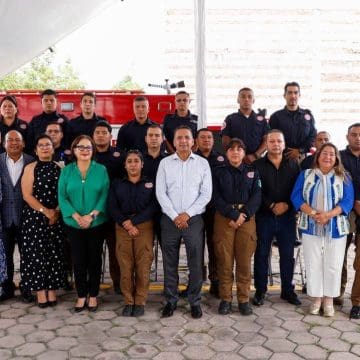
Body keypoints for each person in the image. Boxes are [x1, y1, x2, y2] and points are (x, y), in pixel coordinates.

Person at [291, 143, 354, 316]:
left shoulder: (344, 177)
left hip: (336, 228)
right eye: (324, 153)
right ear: (317, 156)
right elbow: (296, 196)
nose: (328, 157)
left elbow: (348, 201)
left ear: (336, 158)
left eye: (332, 154)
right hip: (311, 226)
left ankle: (328, 300)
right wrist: (313, 213)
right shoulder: (306, 175)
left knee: (334, 263)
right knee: (313, 262)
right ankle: (316, 298)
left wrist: (328, 215)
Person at [156, 125, 212, 319]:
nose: (183, 141)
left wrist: (187, 214)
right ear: (173, 141)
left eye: (187, 137)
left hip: (194, 219)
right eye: (179, 138)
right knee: (169, 262)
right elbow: (160, 193)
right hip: (169, 219)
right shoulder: (164, 163)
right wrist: (175, 216)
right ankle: (170, 301)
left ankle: (194, 301)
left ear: (193, 141)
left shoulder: (202, 164)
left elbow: (206, 194)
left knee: (195, 262)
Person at [58, 135, 109, 312]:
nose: (85, 150)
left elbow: (104, 194)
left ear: (93, 150)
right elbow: (62, 196)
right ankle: (81, 296)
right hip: (73, 224)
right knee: (78, 261)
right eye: (81, 147)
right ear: (74, 150)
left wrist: (91, 216)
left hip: (96, 223)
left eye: (88, 147)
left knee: (94, 260)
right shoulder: (66, 171)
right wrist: (76, 216)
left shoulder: (101, 170)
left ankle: (93, 296)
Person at [213, 138, 261, 315]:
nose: (235, 152)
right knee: (224, 260)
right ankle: (225, 298)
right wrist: (232, 214)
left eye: (239, 149)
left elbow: (257, 196)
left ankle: (243, 299)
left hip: (246, 219)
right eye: (231, 149)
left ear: (243, 152)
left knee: (244, 261)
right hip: (224, 218)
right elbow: (215, 197)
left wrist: (244, 215)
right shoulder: (218, 172)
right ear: (226, 153)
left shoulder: (252, 171)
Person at [253, 130, 301, 307]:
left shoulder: (294, 164)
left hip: (287, 217)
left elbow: (298, 188)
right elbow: (256, 191)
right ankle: (260, 291)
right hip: (264, 216)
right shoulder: (257, 165)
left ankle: (287, 290)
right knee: (262, 254)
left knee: (287, 255)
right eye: (271, 141)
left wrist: (288, 204)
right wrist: (272, 205)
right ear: (266, 144)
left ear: (284, 143)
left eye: (279, 141)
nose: (276, 144)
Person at [108, 150, 158, 317]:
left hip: (144, 226)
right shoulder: (116, 183)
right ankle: (129, 301)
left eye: (136, 161)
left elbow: (153, 206)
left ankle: (140, 300)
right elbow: (112, 206)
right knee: (125, 266)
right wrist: (126, 223)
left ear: (142, 164)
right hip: (122, 227)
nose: (133, 164)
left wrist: (134, 223)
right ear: (125, 164)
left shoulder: (150, 182)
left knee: (143, 265)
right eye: (129, 161)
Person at [20, 134, 67, 307]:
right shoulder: (30, 167)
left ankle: (52, 290)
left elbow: (64, 193)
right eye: (41, 145)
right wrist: (45, 211)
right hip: (35, 217)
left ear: (53, 149)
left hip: (56, 217)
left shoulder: (59, 167)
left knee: (54, 254)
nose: (45, 147)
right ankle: (40, 292)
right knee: (37, 255)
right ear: (36, 149)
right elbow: (26, 195)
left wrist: (56, 212)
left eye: (48, 145)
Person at [0, 130, 34, 302]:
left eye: (17, 140)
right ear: (4, 143)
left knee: (27, 254)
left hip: (26, 217)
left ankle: (26, 287)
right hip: (4, 218)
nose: (13, 143)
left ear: (23, 143)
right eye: (10, 140)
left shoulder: (31, 161)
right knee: (5, 255)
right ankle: (7, 288)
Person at [92, 121, 123, 294]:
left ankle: (118, 283)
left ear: (111, 136)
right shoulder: (88, 156)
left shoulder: (120, 155)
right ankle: (93, 283)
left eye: (104, 132)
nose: (101, 135)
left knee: (115, 251)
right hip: (92, 212)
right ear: (93, 136)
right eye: (98, 132)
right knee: (94, 251)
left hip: (113, 213)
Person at [195, 128, 227, 297]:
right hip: (197, 210)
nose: (206, 140)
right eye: (202, 138)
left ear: (213, 141)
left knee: (216, 247)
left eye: (209, 137)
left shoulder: (222, 158)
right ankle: (197, 281)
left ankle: (216, 281)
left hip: (216, 210)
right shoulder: (192, 159)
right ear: (196, 141)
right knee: (196, 247)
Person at [339, 123, 360, 317]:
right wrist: (353, 202)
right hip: (345, 212)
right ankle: (338, 292)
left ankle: (357, 302)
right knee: (340, 254)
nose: (358, 138)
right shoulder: (339, 157)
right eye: (354, 135)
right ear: (347, 137)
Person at [269, 82, 316, 162]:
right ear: (285, 96)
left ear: (299, 95)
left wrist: (300, 151)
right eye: (290, 93)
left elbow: (313, 136)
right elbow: (271, 138)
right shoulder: (276, 117)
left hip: (303, 158)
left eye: (295, 93)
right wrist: (289, 152)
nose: (293, 96)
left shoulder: (308, 116)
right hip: (281, 158)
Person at [220, 88, 268, 163]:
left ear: (253, 100)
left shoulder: (262, 120)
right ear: (238, 100)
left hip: (257, 161)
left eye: (249, 97)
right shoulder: (230, 118)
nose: (246, 99)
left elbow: (267, 140)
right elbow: (225, 140)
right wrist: (237, 155)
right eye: (243, 96)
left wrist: (255, 155)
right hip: (236, 161)